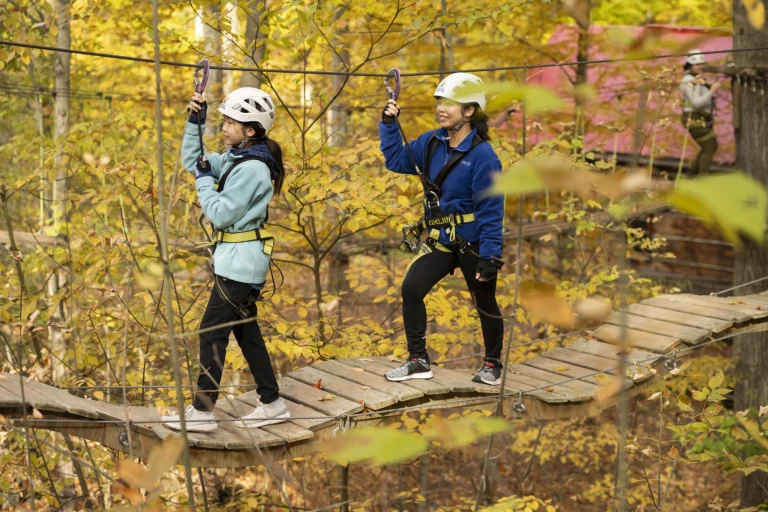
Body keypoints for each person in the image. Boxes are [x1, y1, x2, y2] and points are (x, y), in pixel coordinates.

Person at [161, 87, 290, 432]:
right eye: (222, 120)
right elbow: (195, 162)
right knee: (246, 333)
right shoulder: (237, 159)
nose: (224, 126)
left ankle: (203, 412)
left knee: (211, 331)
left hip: (240, 266)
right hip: (239, 263)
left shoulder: (252, 169)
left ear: (251, 130)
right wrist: (195, 122)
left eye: (230, 122)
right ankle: (272, 402)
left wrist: (205, 182)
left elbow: (218, 213)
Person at [379, 72, 505, 386]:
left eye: (451, 103)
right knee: (411, 288)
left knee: (484, 302)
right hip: (441, 237)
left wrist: (490, 255)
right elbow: (396, 160)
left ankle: (492, 364)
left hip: (473, 241)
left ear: (470, 111)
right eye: (440, 102)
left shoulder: (483, 157)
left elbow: (491, 210)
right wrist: (389, 125)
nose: (442, 109)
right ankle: (418, 360)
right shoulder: (431, 142)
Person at [680, 49, 721, 175]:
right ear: (690, 65)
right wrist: (712, 90)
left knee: (709, 146)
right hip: (693, 117)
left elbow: (700, 92)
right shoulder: (688, 80)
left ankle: (691, 175)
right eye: (697, 65)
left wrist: (708, 85)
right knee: (709, 147)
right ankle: (702, 178)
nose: (700, 67)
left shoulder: (695, 78)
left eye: (701, 64)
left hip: (700, 117)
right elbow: (697, 102)